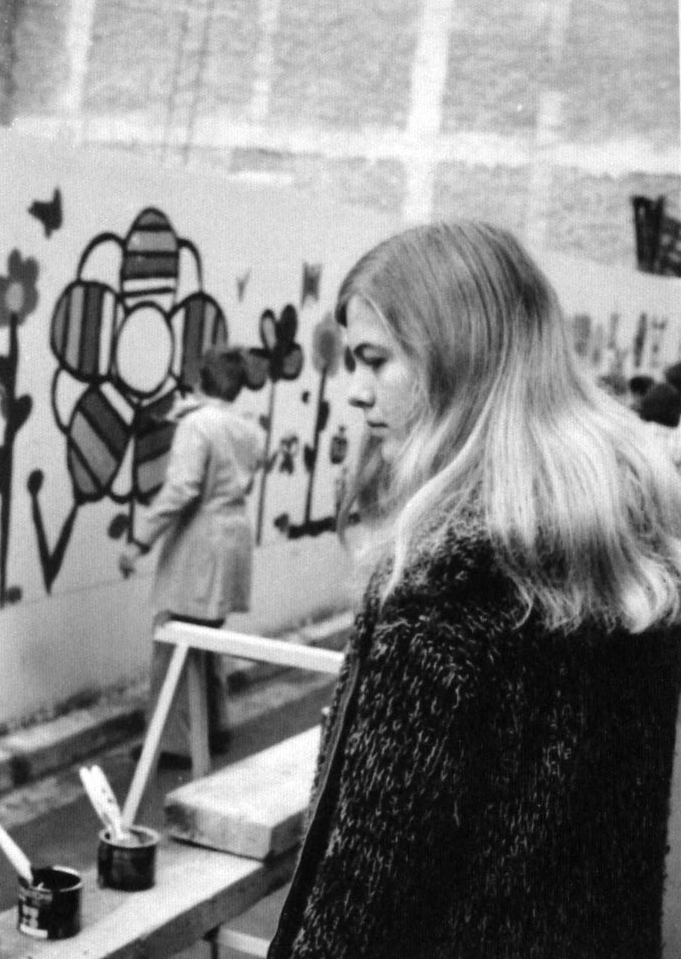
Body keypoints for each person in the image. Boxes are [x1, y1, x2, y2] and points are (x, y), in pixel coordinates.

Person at [267, 221, 681, 959]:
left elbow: (364, 888)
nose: (355, 392)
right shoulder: (622, 536)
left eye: (375, 360)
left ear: (460, 360)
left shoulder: (443, 583)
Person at [119, 346, 262, 763]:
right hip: (233, 540)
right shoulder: (245, 427)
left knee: (174, 642)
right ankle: (215, 726)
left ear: (201, 379)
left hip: (199, 544)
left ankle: (174, 743)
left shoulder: (197, 425)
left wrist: (139, 541)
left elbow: (182, 487)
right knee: (207, 638)